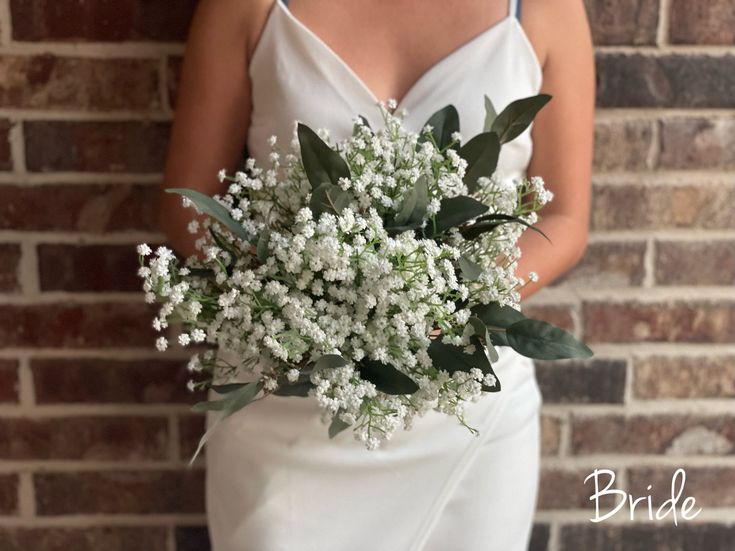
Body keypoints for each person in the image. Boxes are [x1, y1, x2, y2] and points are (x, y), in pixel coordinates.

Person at [159, 0, 594, 549]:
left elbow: (565, 218)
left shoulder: (544, 9)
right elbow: (189, 211)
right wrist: (313, 305)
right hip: (286, 410)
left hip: (466, 413)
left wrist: (441, 299)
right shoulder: (245, 7)